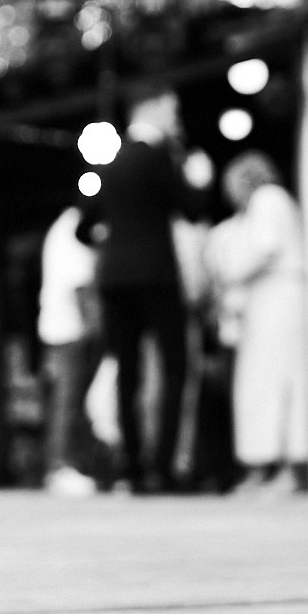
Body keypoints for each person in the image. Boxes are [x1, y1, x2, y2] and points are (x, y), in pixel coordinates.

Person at [76, 91, 211, 493]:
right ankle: (163, 468)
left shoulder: (110, 162)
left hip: (115, 281)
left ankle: (132, 467)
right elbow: (192, 208)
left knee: (127, 374)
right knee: (175, 368)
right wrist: (201, 178)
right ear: (150, 110)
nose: (176, 119)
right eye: (172, 110)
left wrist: (114, 241)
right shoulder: (157, 157)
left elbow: (82, 228)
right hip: (156, 277)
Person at [206, 151, 308, 496]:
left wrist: (228, 274)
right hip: (262, 305)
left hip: (278, 301)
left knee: (281, 382)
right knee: (258, 386)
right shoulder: (252, 213)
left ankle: (289, 466)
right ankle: (261, 465)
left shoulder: (269, 198)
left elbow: (264, 249)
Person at [37, 205, 100, 497]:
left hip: (58, 326)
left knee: (68, 400)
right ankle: (60, 466)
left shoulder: (61, 226)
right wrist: (96, 330)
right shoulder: (73, 228)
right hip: (70, 329)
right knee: (69, 400)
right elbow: (81, 285)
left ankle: (68, 465)